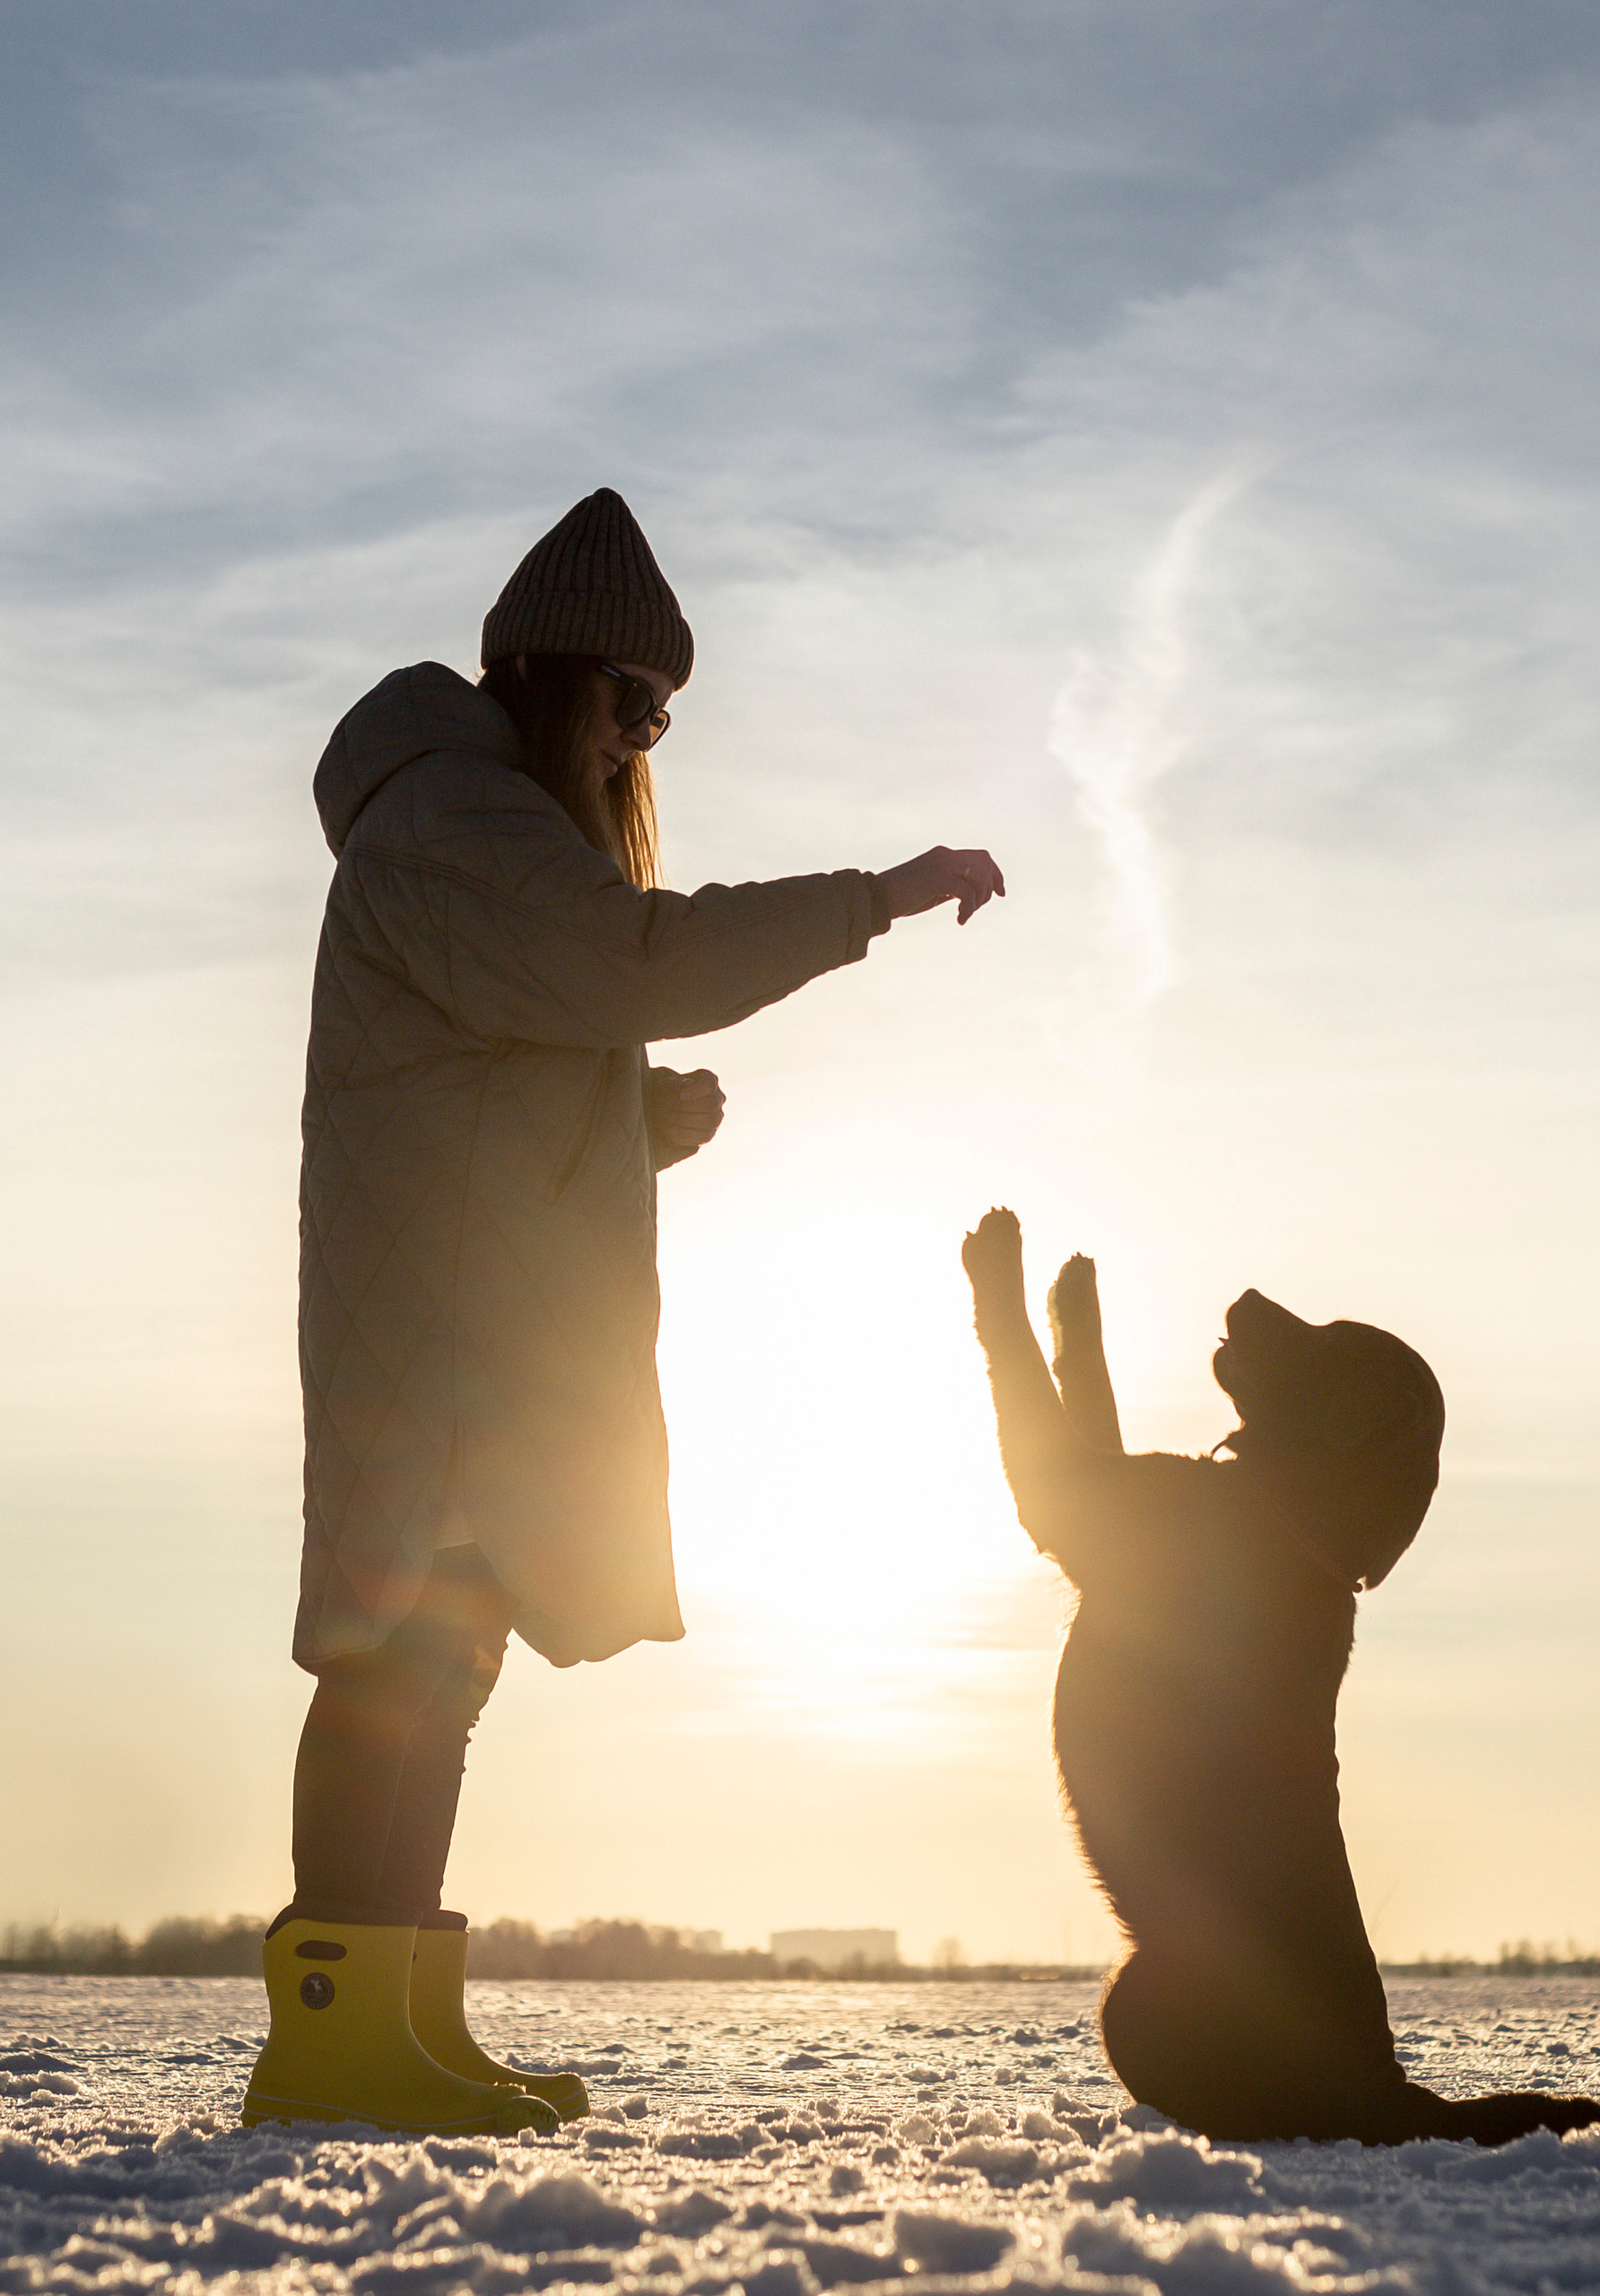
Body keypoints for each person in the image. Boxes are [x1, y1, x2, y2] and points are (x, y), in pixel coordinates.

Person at [239, 491, 1002, 2135]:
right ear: (559, 681)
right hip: (434, 1335)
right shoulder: (454, 816)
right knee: (401, 1659)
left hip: (454, 1320)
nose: (640, 746)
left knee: (442, 1653)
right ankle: (332, 2040)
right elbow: (639, 962)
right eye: (635, 707)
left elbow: (485, 1078)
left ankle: (394, 2027)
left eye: (661, 719)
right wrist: (873, 895)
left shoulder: (471, 826)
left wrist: (633, 1124)